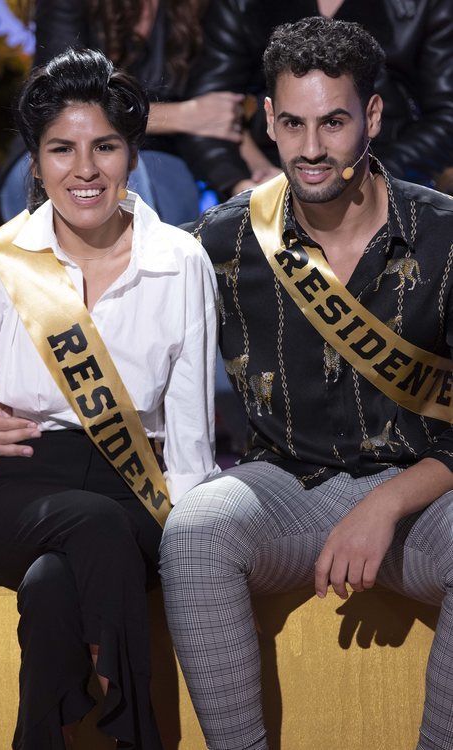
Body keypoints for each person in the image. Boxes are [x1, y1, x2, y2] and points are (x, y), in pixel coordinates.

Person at [158, 17, 453, 750]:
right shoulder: (221, 241)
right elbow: (125, 334)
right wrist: (8, 406)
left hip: (422, 500)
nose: (312, 149)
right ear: (268, 119)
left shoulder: (445, 235)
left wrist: (388, 502)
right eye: (293, 123)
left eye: (333, 123)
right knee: (195, 532)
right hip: (282, 489)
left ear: (372, 116)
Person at [0, 47, 219, 750]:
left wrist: (194, 544)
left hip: (136, 492)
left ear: (131, 154)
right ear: (35, 163)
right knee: (86, 527)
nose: (85, 169)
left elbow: (190, 436)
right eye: (61, 149)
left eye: (104, 146)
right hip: (16, 495)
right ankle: (137, 732)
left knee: (52, 583)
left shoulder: (180, 261)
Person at [0, 0, 244, 225]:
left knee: (147, 183)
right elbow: (56, 100)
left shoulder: (201, 7)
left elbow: (220, 109)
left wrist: (246, 178)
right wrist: (183, 116)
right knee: (124, 175)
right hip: (57, 142)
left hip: (166, 153)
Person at [178, 0, 453, 199]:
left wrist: (371, 177)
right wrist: (242, 183)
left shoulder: (427, 6)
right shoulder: (241, 5)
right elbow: (208, 111)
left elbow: (446, 116)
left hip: (387, 171)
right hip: (269, 173)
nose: (314, 150)